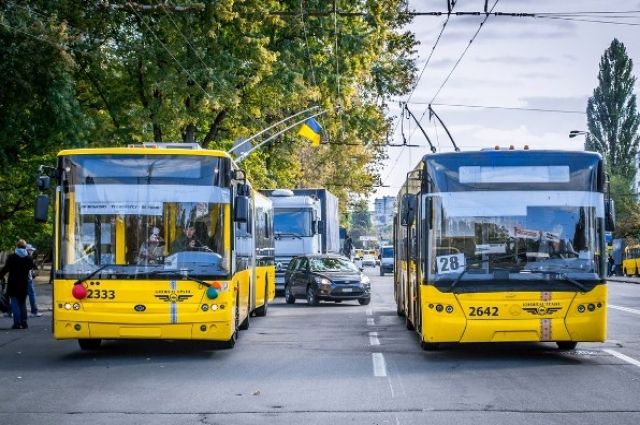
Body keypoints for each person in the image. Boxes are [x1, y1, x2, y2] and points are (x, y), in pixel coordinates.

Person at [0, 240, 36, 329]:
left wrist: (0, 275)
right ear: (25, 247)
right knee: (22, 303)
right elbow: (31, 268)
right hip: (24, 283)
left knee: (15, 303)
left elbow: (6, 269)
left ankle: (17, 323)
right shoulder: (28, 258)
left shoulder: (12, 257)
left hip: (13, 283)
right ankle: (24, 322)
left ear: (17, 246)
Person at [26, 244, 42, 317]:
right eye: (31, 250)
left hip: (20, 279)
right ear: (27, 250)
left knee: (18, 296)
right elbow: (30, 269)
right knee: (32, 295)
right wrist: (33, 274)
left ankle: (11, 311)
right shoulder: (28, 258)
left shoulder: (19, 257)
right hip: (28, 280)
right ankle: (34, 311)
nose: (32, 252)